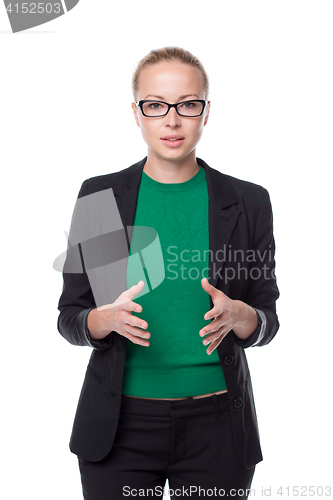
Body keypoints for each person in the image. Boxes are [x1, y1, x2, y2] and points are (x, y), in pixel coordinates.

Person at [57, 46, 279, 500]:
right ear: (136, 113)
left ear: (206, 111)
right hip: (119, 426)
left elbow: (267, 318)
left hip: (218, 429)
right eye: (155, 105)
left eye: (187, 104)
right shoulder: (100, 197)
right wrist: (103, 321)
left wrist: (243, 317)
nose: (172, 120)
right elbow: (71, 315)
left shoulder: (249, 201)